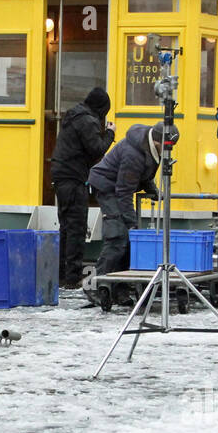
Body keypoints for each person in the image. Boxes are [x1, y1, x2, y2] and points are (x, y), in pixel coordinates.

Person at [50, 87, 114, 288]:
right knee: (76, 228)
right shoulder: (87, 120)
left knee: (66, 228)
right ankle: (72, 278)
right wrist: (110, 133)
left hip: (63, 176)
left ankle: (61, 275)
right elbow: (96, 149)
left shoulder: (75, 115)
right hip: (72, 177)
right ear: (102, 108)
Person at [87, 123, 163, 276]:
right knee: (118, 236)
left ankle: (119, 286)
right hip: (107, 187)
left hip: (117, 188)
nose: (170, 150)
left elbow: (144, 173)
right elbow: (124, 192)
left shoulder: (150, 147)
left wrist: (152, 189)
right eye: (167, 146)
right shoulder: (133, 154)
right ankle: (97, 283)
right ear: (156, 142)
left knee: (127, 239)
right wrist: (131, 222)